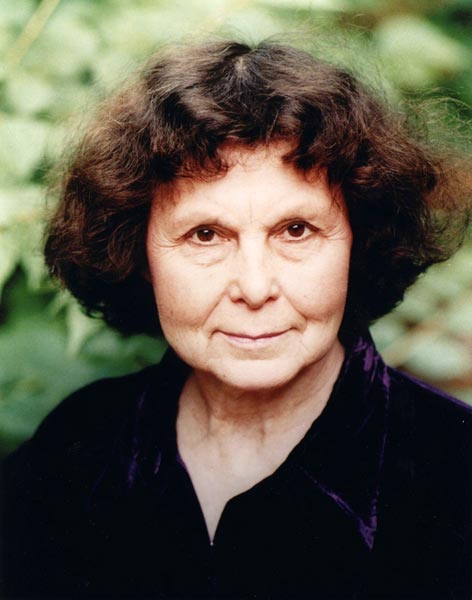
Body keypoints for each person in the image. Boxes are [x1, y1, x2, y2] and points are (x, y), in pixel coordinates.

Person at [2, 40, 471, 599]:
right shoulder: (75, 449)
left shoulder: (456, 471)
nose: (254, 287)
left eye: (296, 230)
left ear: (360, 243)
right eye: (206, 235)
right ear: (139, 254)